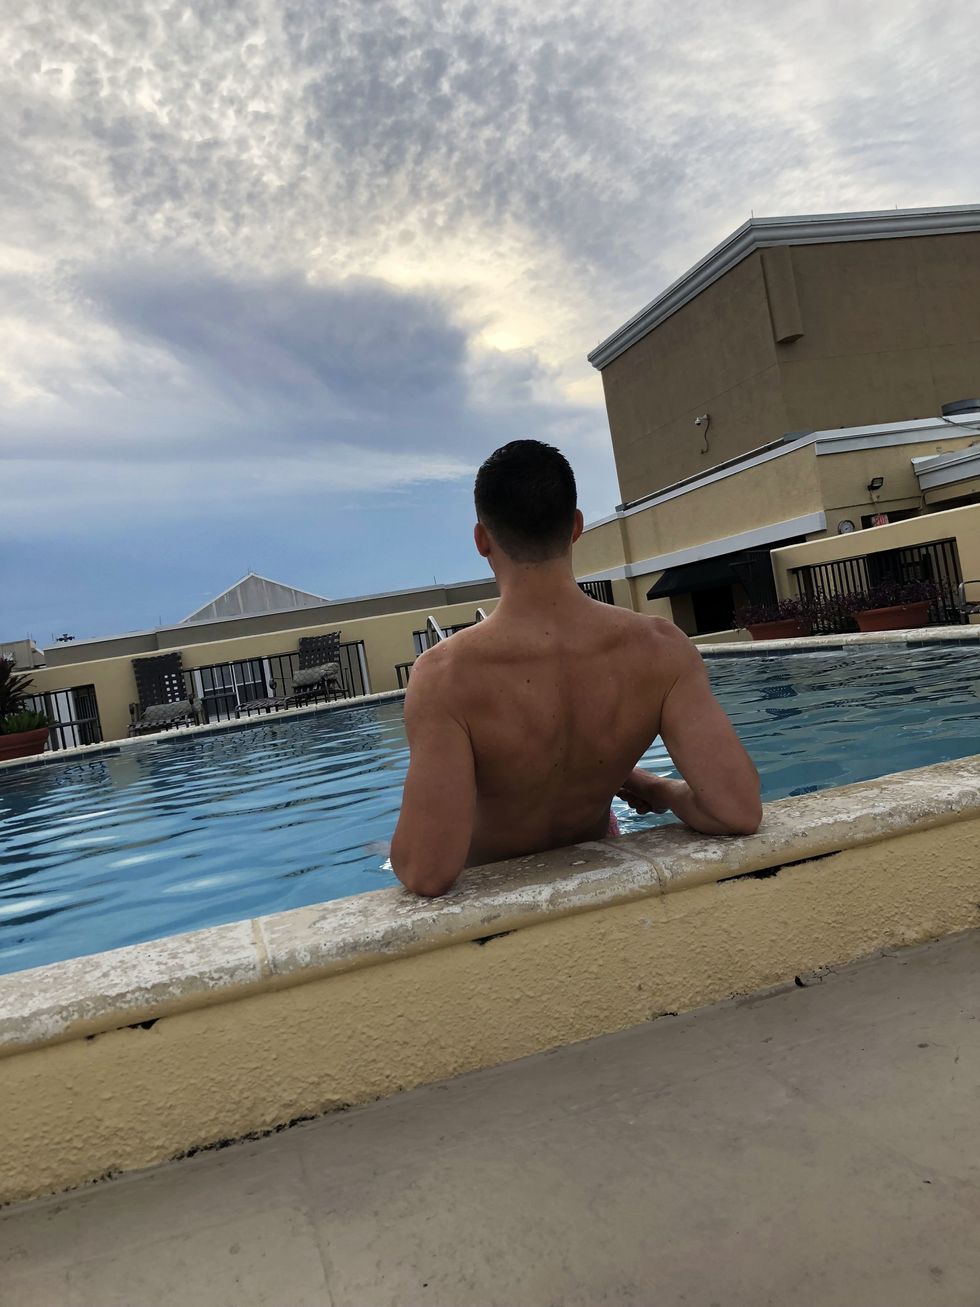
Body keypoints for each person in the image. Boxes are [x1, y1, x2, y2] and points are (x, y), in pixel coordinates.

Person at [390, 440, 761, 897]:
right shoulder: (661, 649)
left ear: (481, 539)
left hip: (503, 899)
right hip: (607, 880)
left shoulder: (444, 676)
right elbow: (737, 810)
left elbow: (426, 870)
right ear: (577, 526)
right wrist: (662, 790)